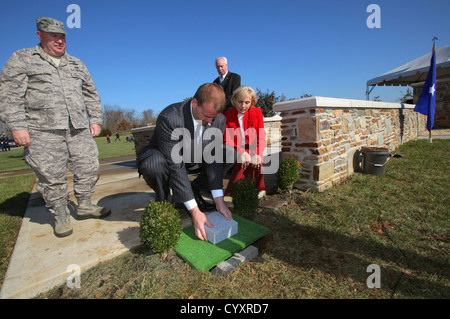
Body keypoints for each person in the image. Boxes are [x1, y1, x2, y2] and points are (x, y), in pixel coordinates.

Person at [0, 17, 110, 238]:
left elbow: (91, 93)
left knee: (89, 167)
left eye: (62, 37)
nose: (59, 41)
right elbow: (9, 94)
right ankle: (61, 213)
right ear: (40, 35)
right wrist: (17, 126)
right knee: (51, 175)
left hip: (78, 127)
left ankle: (85, 204)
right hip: (41, 130)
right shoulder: (22, 59)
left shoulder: (76, 63)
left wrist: (95, 119)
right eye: (53, 36)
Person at [137, 83, 232, 241]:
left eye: (213, 117)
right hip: (163, 156)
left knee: (229, 154)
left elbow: (213, 158)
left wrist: (219, 200)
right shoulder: (170, 117)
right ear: (195, 103)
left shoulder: (218, 119)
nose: (209, 122)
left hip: (194, 156)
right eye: (206, 115)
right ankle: (164, 200)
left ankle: (193, 190)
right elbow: (176, 166)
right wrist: (195, 212)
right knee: (153, 164)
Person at [223, 86, 266, 197]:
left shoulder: (257, 112)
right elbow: (228, 139)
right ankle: (234, 191)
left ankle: (259, 188)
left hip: (252, 147)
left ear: (252, 102)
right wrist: (241, 152)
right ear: (234, 100)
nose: (243, 106)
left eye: (247, 102)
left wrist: (257, 153)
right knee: (242, 161)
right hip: (235, 147)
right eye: (240, 102)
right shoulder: (228, 115)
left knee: (256, 160)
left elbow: (261, 136)